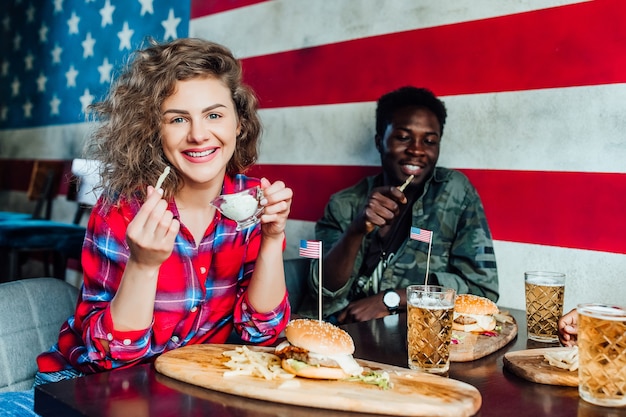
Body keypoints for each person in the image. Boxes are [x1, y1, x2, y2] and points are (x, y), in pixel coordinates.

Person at [33, 37, 293, 383]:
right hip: (86, 383)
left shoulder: (251, 204)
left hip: (185, 384)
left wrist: (272, 238)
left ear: (239, 124)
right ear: (155, 131)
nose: (199, 135)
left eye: (214, 115)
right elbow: (111, 359)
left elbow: (262, 334)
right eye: (177, 120)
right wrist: (142, 265)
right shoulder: (121, 210)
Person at [298, 86, 498, 323]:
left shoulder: (455, 192)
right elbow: (322, 290)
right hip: (340, 330)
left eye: (430, 141)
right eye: (403, 137)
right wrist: (356, 230)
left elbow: (482, 290)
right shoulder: (344, 203)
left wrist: (392, 299)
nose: (416, 149)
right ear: (379, 142)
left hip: (415, 336)